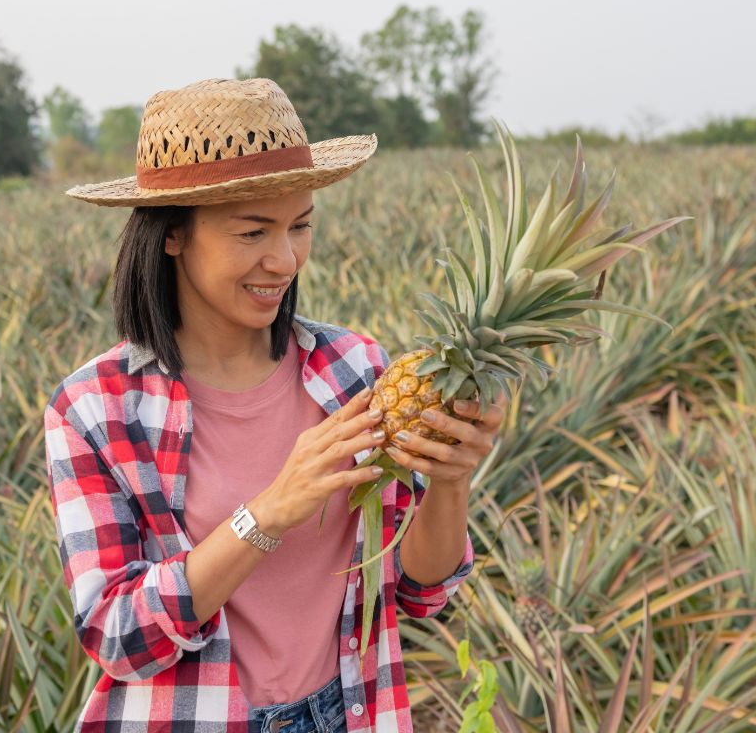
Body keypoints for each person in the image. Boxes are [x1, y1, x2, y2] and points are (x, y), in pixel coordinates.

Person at [43, 77, 501, 733]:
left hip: (357, 713)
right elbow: (117, 636)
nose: (284, 259)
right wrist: (270, 510)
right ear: (172, 234)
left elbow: (421, 591)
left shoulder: (354, 369)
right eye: (254, 231)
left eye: (300, 226)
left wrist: (451, 476)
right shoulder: (95, 408)